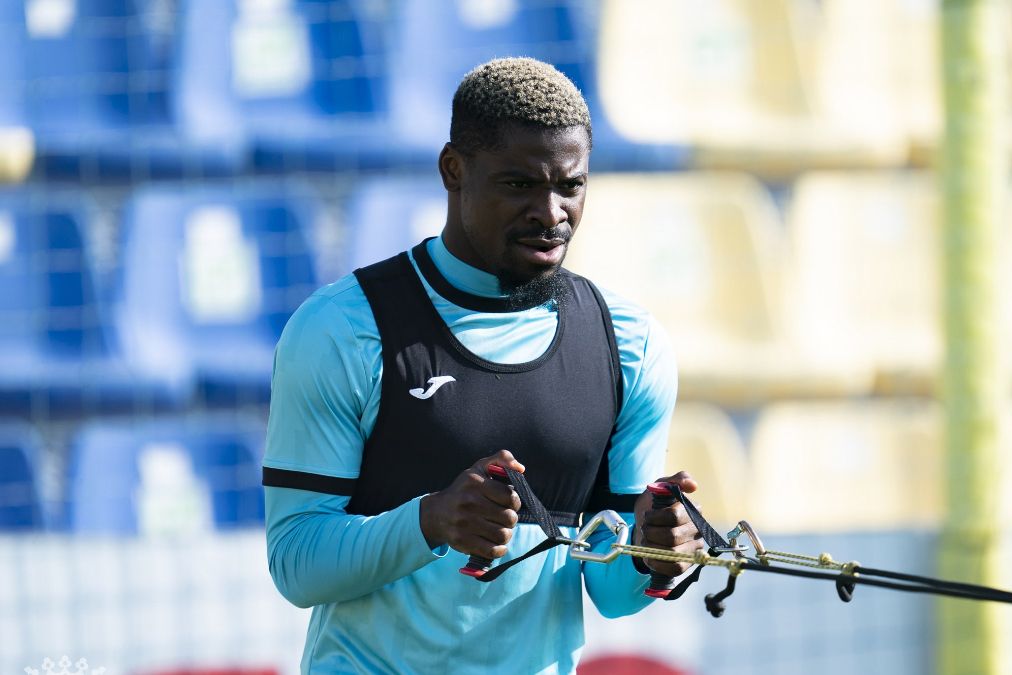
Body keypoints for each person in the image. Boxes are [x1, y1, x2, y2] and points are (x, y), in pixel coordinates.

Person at [262, 57, 703, 673]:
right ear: (454, 170)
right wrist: (432, 521)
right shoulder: (343, 328)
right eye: (519, 184)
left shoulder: (628, 344)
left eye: (570, 186)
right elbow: (297, 564)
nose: (552, 213)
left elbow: (609, 591)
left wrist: (653, 558)